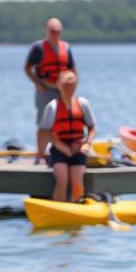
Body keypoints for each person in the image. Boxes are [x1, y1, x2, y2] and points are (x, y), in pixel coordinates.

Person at [39, 70, 96, 202]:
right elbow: (45, 132)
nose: (69, 88)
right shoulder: (52, 107)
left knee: (77, 179)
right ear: (59, 85)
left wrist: (87, 143)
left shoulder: (83, 104)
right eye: (65, 85)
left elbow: (92, 128)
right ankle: (59, 208)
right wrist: (60, 146)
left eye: (71, 85)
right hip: (59, 149)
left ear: (76, 85)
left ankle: (77, 207)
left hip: (78, 148)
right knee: (62, 178)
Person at [25, 18, 76, 156]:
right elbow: (27, 68)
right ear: (47, 31)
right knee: (44, 121)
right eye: (52, 31)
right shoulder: (38, 47)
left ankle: (57, 149)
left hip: (62, 90)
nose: (55, 34)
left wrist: (71, 90)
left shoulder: (66, 47)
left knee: (62, 120)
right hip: (45, 89)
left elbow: (72, 70)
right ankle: (41, 153)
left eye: (57, 32)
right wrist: (37, 83)